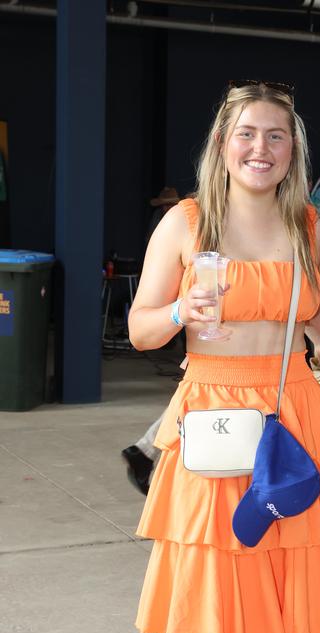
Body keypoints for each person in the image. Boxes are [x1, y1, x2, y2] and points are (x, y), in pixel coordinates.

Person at [128, 82, 320, 633]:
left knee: (272, 607)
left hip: (290, 418)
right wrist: (184, 312)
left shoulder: (307, 222)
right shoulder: (188, 221)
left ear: (295, 151)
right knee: (216, 610)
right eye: (248, 135)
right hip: (216, 426)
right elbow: (141, 328)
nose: (262, 150)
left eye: (278, 137)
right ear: (223, 143)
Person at [121, 187, 181, 495]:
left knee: (187, 403)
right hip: (182, 308)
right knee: (190, 404)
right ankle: (144, 450)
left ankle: (144, 450)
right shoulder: (175, 223)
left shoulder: (163, 221)